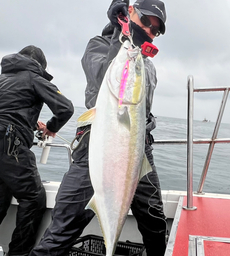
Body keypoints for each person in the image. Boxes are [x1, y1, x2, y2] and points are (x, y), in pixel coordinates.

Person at [30, 0, 168, 256]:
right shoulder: (99, 45)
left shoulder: (146, 64)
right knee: (64, 224)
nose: (150, 30)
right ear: (129, 13)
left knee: (156, 223)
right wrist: (119, 32)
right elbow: (104, 78)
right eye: (146, 21)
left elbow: (141, 109)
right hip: (97, 145)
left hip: (138, 150)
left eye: (156, 30)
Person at [0, 45, 74, 256]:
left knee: (1, 197)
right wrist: (51, 127)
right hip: (9, 144)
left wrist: (32, 124)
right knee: (33, 198)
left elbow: (8, 110)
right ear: (39, 67)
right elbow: (66, 108)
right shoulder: (34, 78)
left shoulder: (3, 79)